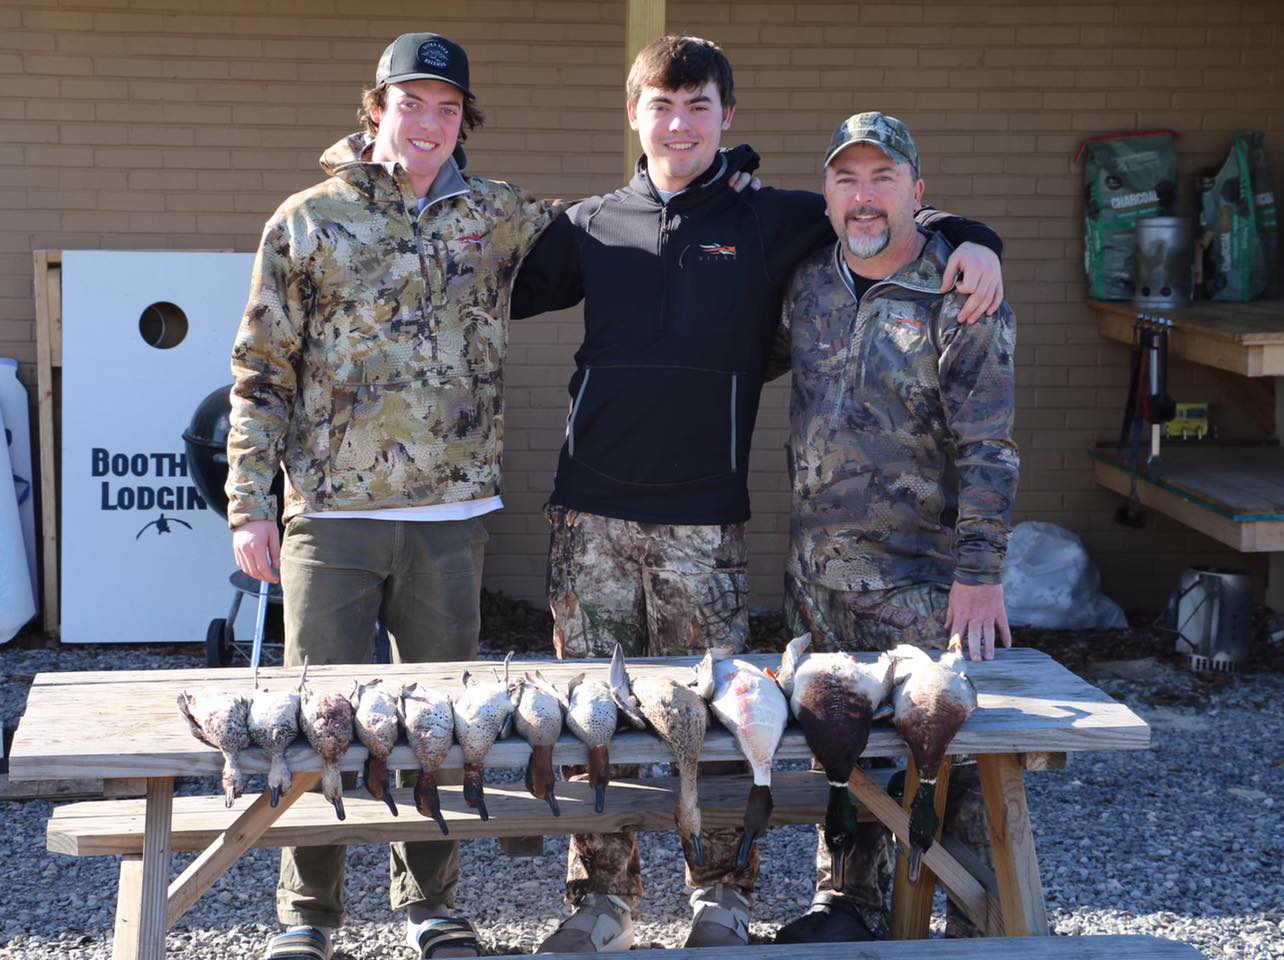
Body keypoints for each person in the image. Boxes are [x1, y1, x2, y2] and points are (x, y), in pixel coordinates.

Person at [511, 37, 1007, 953]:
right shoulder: (588, 226)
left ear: (725, 117)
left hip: (705, 522)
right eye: (663, 105)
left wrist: (979, 241)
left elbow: (883, 217)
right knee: (595, 714)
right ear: (634, 116)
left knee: (722, 719)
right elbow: (491, 284)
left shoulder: (774, 219)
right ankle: (602, 899)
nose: (681, 123)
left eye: (700, 106)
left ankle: (722, 895)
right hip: (589, 518)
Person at [225, 32, 558, 960]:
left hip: (449, 520)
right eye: (411, 103)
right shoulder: (307, 219)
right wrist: (249, 505)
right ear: (375, 111)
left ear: (464, 123)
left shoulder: (495, 215)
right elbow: (260, 372)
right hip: (331, 516)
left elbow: (620, 228)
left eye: (448, 108)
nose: (429, 122)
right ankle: (308, 914)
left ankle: (429, 903)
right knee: (318, 721)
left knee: (440, 725)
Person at [771, 112, 1018, 944]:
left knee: (954, 757)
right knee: (841, 750)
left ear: (919, 190)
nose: (865, 197)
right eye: (847, 180)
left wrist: (979, 574)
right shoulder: (806, 285)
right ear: (829, 195)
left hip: (923, 584)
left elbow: (991, 448)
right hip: (817, 578)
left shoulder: (961, 290)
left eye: (884, 179)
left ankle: (975, 916)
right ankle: (848, 902)